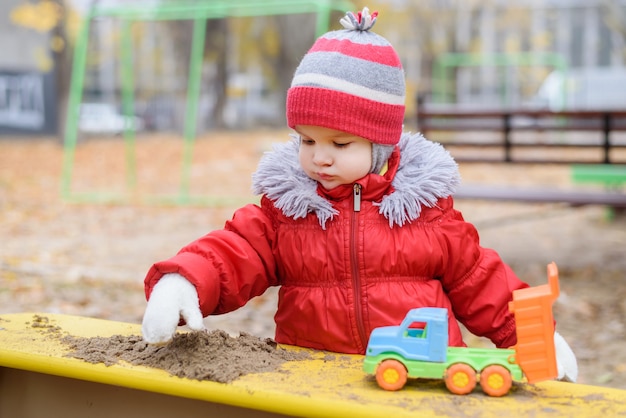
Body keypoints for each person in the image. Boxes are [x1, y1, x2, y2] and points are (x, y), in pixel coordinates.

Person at [141, 7, 578, 382]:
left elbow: (482, 282)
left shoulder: (425, 215)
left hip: (416, 384)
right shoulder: (288, 213)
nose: (320, 158)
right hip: (312, 379)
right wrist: (184, 280)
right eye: (307, 141)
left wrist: (537, 338)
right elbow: (235, 251)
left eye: (340, 143)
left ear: (381, 145)